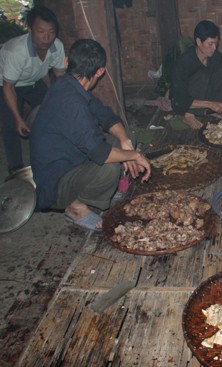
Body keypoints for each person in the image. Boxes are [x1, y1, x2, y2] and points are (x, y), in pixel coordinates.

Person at [30, 39, 151, 232]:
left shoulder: (68, 84)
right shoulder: (71, 102)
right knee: (109, 166)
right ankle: (76, 207)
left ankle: (111, 188)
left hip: (74, 159)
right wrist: (135, 155)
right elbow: (100, 153)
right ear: (100, 71)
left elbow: (106, 115)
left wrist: (125, 141)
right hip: (56, 183)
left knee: (127, 137)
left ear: (67, 61)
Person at [0, 5, 66, 175]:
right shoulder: (16, 51)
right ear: (30, 30)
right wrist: (18, 118)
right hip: (6, 85)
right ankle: (16, 170)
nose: (47, 37)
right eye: (41, 31)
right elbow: (8, 86)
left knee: (51, 113)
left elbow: (59, 76)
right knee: (11, 126)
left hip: (33, 82)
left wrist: (63, 101)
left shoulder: (57, 46)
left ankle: (54, 155)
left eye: (51, 32)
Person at [169, 20, 222, 129]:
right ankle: (188, 115)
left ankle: (211, 111)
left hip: (205, 99)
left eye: (216, 43)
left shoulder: (215, 56)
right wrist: (211, 104)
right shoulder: (183, 63)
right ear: (198, 42)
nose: (214, 48)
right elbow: (179, 99)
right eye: (210, 43)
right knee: (202, 74)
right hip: (183, 103)